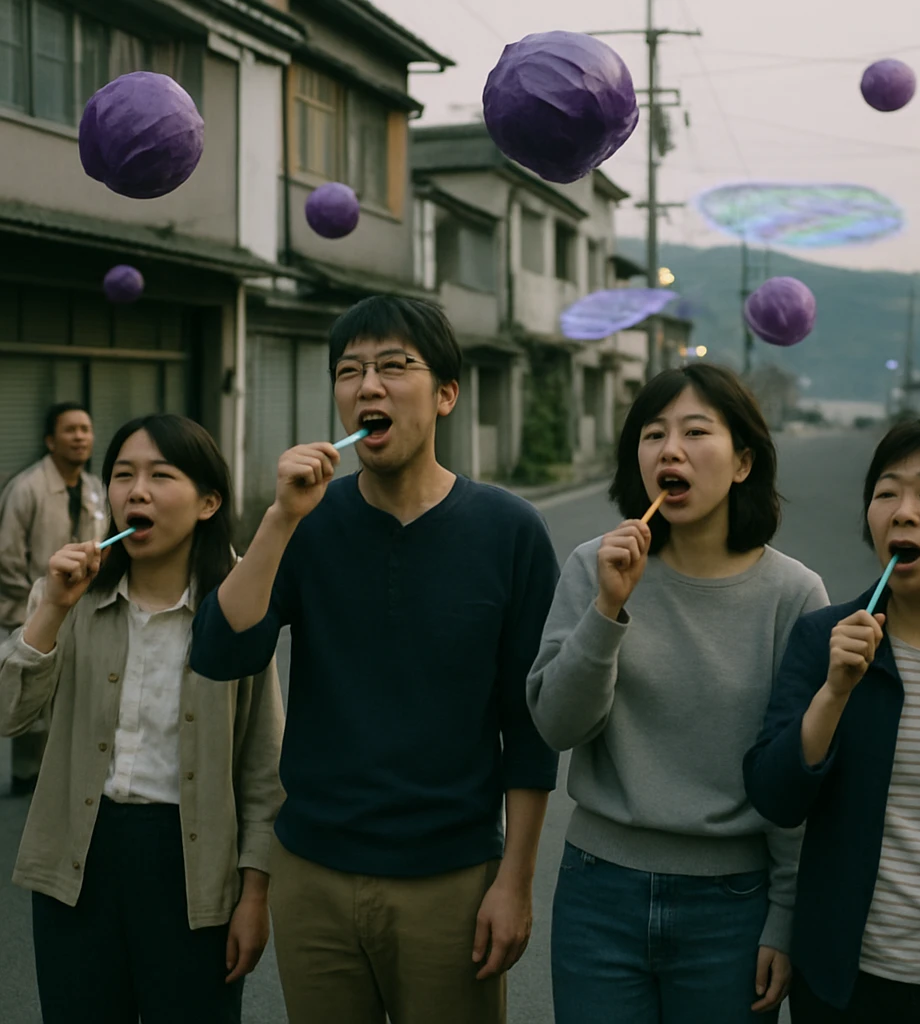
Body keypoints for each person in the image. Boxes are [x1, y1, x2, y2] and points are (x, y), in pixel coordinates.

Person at [189, 295, 560, 1024]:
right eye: (350, 370)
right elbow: (221, 654)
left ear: (446, 394)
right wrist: (278, 519)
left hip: (449, 878)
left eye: (394, 367)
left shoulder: (508, 531)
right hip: (313, 871)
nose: (368, 386)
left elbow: (531, 726)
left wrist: (513, 882)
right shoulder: (308, 522)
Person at [526, 364, 828, 1024]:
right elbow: (556, 726)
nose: (670, 449)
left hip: (733, 904)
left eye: (696, 431)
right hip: (598, 890)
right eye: (653, 434)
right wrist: (608, 609)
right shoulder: (594, 566)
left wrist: (784, 912)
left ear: (744, 461)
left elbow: (795, 775)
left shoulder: (794, 595)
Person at [0, 413, 285, 1024]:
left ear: (209, 502)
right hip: (78, 861)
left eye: (161, 474)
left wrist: (254, 893)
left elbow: (263, 765)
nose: (137, 491)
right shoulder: (70, 592)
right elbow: (9, 714)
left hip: (190, 866)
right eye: (123, 475)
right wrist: (50, 609)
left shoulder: (236, 607)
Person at [744, 417, 920, 1024]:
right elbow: (775, 796)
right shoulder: (825, 638)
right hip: (844, 985)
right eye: (885, 493)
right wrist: (834, 692)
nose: (902, 511)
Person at [0, 402, 106, 794]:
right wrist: (38, 600)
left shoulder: (96, 488)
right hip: (32, 607)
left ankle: (65, 778)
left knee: (73, 696)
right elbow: (7, 556)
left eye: (86, 429)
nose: (80, 437)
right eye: (70, 430)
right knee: (31, 694)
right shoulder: (26, 488)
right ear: (50, 440)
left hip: (85, 610)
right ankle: (29, 779)